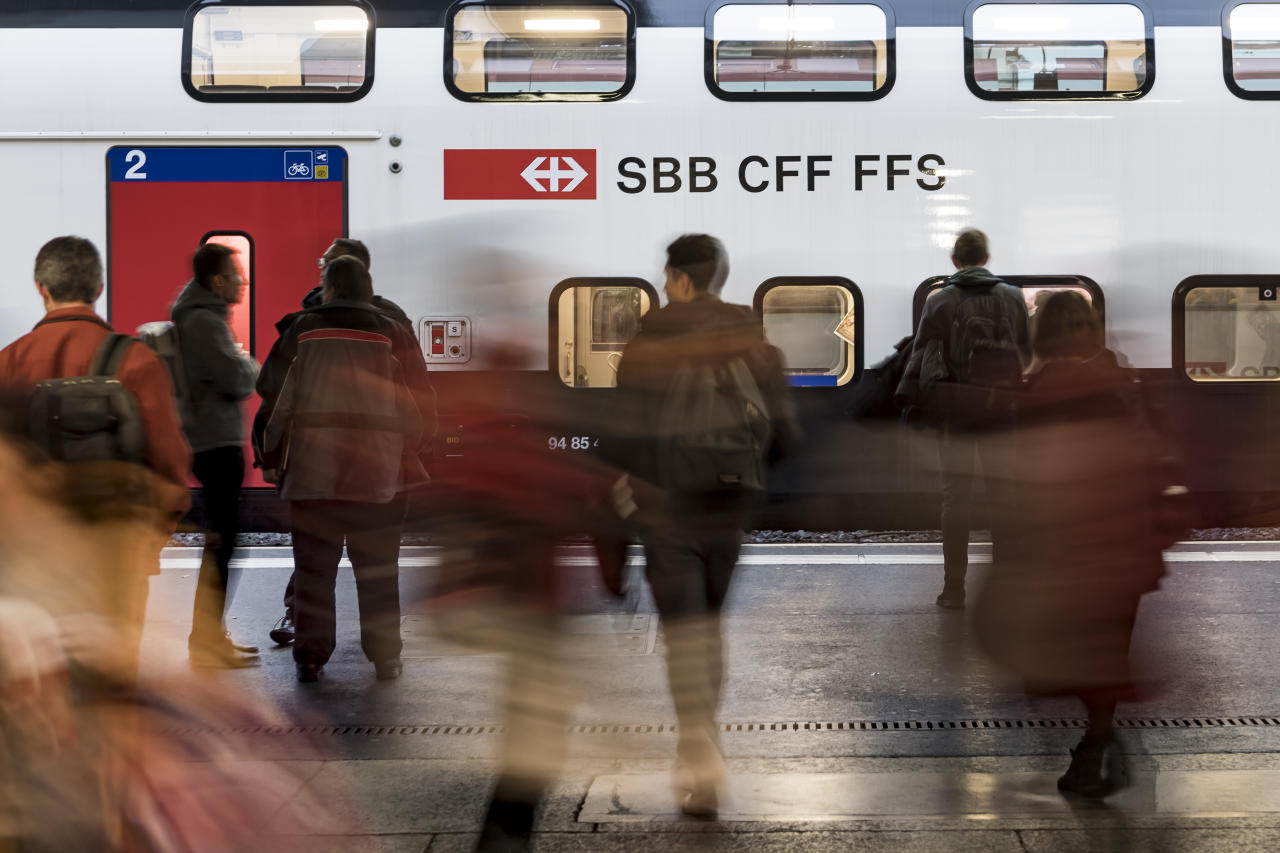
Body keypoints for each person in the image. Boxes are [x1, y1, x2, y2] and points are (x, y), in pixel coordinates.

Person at [608, 234, 798, 817]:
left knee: (684, 633)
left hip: (666, 510)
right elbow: (786, 439)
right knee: (707, 628)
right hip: (728, 507)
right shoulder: (756, 346)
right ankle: (702, 740)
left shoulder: (645, 348)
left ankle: (697, 747)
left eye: (668, 276)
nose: (666, 285)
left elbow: (622, 437)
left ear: (681, 280)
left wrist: (630, 490)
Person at [974, 291, 1167, 798]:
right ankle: (1098, 742)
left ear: (1042, 336)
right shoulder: (1127, 383)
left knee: (1065, 653)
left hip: (1065, 550)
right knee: (1107, 649)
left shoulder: (1036, 393)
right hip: (1128, 546)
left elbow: (1017, 479)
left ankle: (1096, 750)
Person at [0, 236, 191, 682]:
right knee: (112, 687)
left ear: (41, 288)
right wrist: (150, 540)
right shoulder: (136, 361)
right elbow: (169, 462)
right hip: (116, 552)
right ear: (98, 287)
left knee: (39, 689)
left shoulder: (8, 362)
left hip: (33, 558)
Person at [254, 256, 435, 683]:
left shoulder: (302, 330)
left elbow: (275, 400)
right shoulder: (391, 331)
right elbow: (418, 404)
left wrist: (269, 456)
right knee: (378, 569)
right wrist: (409, 448)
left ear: (328, 289)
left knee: (315, 571)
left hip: (313, 475)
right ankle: (386, 657)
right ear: (367, 289)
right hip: (379, 475)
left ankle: (311, 659)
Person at [895, 229, 1030, 609]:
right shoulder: (1013, 297)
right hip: (1001, 412)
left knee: (956, 499)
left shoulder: (940, 301)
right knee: (1004, 497)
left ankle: (953, 588)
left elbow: (921, 356)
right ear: (986, 258)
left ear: (955, 260)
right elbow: (1025, 353)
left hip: (955, 414)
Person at [171, 242, 261, 668]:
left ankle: (210, 635)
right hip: (215, 444)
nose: (243, 281)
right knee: (222, 545)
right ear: (217, 280)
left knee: (222, 543)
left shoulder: (202, 319)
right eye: (235, 273)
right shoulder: (205, 323)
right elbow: (238, 379)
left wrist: (239, 362)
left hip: (211, 441)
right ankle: (206, 640)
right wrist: (248, 363)